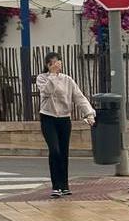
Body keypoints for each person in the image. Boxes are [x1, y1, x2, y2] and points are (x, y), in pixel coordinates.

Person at [37, 52, 95, 197]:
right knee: (54, 150)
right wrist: (52, 75)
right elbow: (46, 92)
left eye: (58, 62)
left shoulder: (68, 80)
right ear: (47, 65)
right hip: (48, 118)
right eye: (52, 63)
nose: (56, 65)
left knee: (63, 152)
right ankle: (56, 186)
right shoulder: (42, 79)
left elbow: (79, 97)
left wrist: (89, 113)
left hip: (64, 119)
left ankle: (64, 185)